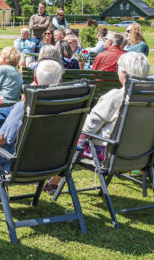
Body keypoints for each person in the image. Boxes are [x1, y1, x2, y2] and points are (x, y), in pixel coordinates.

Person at [42, 52, 150, 194]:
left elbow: (88, 127)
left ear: (124, 73)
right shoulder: (149, 96)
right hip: (142, 155)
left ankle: (53, 181)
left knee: (70, 140)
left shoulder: (116, 96)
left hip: (108, 154)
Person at [0, 60, 64, 198]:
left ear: (35, 79)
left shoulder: (25, 107)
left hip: (17, 167)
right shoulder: (70, 106)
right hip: (51, 166)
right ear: (61, 80)